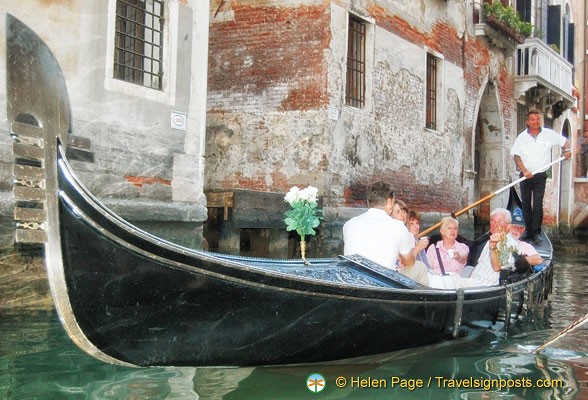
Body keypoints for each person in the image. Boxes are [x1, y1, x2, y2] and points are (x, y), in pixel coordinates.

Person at [343, 182, 429, 285]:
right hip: (382, 284)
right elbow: (410, 262)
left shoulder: (349, 224)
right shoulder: (398, 227)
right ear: (389, 202)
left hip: (353, 282)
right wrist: (403, 257)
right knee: (420, 266)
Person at [510, 111, 571, 245]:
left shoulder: (548, 134)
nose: (536, 122)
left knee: (537, 203)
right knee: (526, 203)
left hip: (540, 175)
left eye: (538, 119)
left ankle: (536, 233)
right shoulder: (521, 137)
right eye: (533, 120)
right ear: (528, 122)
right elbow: (516, 155)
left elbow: (565, 142)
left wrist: (566, 151)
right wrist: (524, 171)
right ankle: (528, 231)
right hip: (526, 175)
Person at [428, 208, 520, 289]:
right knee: (442, 279)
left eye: (500, 222)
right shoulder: (489, 241)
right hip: (473, 282)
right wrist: (467, 281)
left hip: (485, 287)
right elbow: (478, 266)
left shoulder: (508, 243)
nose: (495, 224)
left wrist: (493, 246)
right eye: (493, 221)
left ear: (508, 227)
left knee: (444, 282)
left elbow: (497, 267)